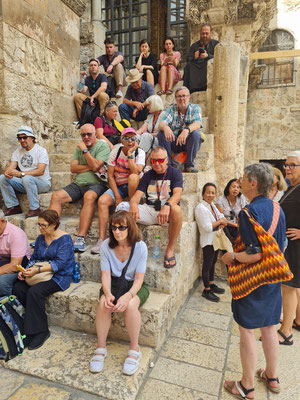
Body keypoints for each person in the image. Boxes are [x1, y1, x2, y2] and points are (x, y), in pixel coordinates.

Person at [222, 163, 285, 398]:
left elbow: (255, 253)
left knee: (247, 330)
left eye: (243, 178)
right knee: (269, 327)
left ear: (253, 183)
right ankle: (272, 376)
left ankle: (246, 386)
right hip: (272, 278)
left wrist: (231, 256)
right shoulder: (278, 209)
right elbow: (282, 245)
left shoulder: (247, 213)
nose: (239, 181)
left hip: (251, 281)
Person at [89, 210, 149, 375]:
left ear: (130, 227)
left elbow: (139, 279)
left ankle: (134, 348)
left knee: (130, 306)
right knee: (103, 303)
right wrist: (108, 294)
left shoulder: (140, 247)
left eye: (122, 227)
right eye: (114, 227)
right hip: (113, 283)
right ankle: (101, 347)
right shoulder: (107, 246)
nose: (117, 231)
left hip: (134, 285)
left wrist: (129, 295)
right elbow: (105, 275)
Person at [13, 210, 74, 350]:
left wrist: (37, 270)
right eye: (38, 224)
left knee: (35, 292)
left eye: (44, 225)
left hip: (59, 276)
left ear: (54, 225)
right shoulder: (41, 238)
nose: (40, 228)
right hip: (39, 273)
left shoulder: (65, 240)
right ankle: (29, 327)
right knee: (18, 288)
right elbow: (34, 258)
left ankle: (41, 331)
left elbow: (60, 264)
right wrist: (25, 271)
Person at [118, 146, 183, 268]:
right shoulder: (148, 175)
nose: (157, 164)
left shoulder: (175, 173)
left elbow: (178, 194)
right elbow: (137, 195)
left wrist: (167, 206)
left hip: (167, 214)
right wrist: (133, 204)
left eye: (160, 160)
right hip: (150, 210)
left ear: (167, 160)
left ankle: (170, 249)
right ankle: (138, 244)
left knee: (177, 209)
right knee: (122, 207)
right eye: (154, 161)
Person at [49, 124, 110, 252]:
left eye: (89, 134)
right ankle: (49, 234)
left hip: (97, 183)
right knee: (56, 196)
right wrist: (92, 166)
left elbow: (94, 166)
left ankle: (81, 237)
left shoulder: (102, 146)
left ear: (95, 135)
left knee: (89, 196)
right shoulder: (79, 147)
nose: (86, 137)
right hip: (78, 184)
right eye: (83, 135)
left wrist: (85, 152)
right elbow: (73, 168)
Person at [91, 128, 145, 254]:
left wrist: (130, 154)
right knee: (102, 201)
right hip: (119, 186)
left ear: (136, 140)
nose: (130, 141)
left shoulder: (140, 152)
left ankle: (131, 209)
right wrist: (117, 196)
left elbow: (136, 172)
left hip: (134, 186)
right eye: (126, 138)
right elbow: (110, 175)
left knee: (133, 177)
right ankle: (102, 239)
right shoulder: (116, 151)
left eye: (133, 138)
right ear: (122, 140)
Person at [0, 126, 51, 218]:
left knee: (27, 178)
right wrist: (7, 172)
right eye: (20, 138)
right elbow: (11, 167)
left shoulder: (41, 151)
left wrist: (21, 174)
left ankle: (35, 208)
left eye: (25, 137)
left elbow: (41, 171)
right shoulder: (17, 152)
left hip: (42, 184)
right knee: (2, 178)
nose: (22, 140)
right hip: (25, 183)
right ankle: (14, 206)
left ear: (32, 138)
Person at [278, 151, 300, 345]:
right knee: (292, 287)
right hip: (289, 245)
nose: (288, 168)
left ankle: (286, 332)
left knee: (289, 286)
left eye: (293, 165)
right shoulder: (293, 188)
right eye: (287, 165)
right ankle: (294, 320)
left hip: (296, 246)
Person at [158, 86, 203, 173]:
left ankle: (189, 165)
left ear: (189, 97)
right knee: (161, 133)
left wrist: (186, 130)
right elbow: (161, 124)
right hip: (174, 141)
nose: (182, 99)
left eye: (184, 96)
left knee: (196, 134)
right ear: (175, 98)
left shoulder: (195, 108)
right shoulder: (172, 109)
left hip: (188, 142)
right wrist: (166, 127)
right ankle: (168, 165)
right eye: (179, 96)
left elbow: (198, 124)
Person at [195, 183, 227, 302]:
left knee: (213, 262)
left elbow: (221, 216)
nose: (210, 195)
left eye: (213, 193)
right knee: (207, 264)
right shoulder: (201, 208)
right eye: (208, 192)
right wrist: (220, 222)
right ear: (203, 193)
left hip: (215, 238)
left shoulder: (212, 205)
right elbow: (207, 227)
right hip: (208, 240)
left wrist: (220, 220)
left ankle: (212, 283)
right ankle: (206, 290)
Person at [0, 209, 31, 296]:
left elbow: (14, 266)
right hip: (3, 262)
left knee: (2, 282)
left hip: (20, 265)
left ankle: (9, 306)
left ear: (2, 221)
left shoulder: (16, 234)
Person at [183, 24, 219, 93]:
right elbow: (188, 59)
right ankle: (190, 89)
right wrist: (194, 57)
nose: (204, 36)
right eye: (203, 34)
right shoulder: (194, 46)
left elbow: (219, 58)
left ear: (210, 33)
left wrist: (208, 56)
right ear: (200, 34)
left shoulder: (216, 44)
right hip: (196, 68)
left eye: (206, 33)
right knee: (189, 66)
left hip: (207, 67)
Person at [216, 178, 248, 243]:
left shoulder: (241, 198)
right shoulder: (220, 200)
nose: (236, 189)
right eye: (233, 187)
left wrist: (239, 225)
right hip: (226, 227)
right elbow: (221, 218)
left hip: (239, 226)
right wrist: (235, 225)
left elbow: (245, 213)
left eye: (238, 187)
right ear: (228, 188)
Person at [136, 95, 165, 164]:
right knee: (135, 137)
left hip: (159, 140)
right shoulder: (150, 117)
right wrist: (132, 135)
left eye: (149, 105)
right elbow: (141, 130)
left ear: (155, 104)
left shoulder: (164, 115)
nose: (147, 107)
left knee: (146, 136)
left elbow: (163, 133)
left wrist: (149, 134)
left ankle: (144, 163)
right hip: (149, 139)